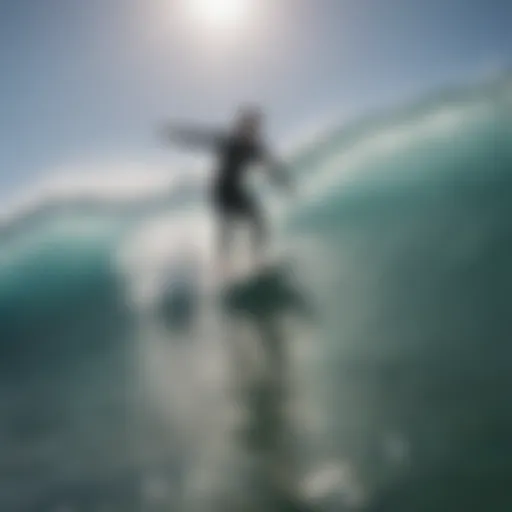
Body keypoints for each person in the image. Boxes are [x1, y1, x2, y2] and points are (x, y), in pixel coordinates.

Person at [162, 106, 289, 271]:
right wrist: (176, 134)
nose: (252, 130)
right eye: (248, 126)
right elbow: (198, 138)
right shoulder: (228, 140)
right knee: (228, 228)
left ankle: (257, 259)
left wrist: (283, 182)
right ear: (241, 126)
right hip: (220, 190)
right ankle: (223, 266)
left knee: (258, 222)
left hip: (237, 189)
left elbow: (271, 167)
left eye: (255, 127)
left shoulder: (256, 148)